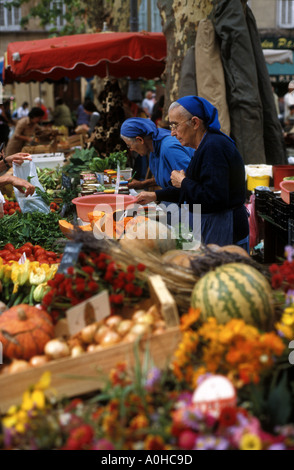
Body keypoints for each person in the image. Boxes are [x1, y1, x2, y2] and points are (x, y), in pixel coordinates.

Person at [135, 96, 249, 251]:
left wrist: (183, 181)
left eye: (175, 125)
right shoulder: (205, 145)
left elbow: (213, 197)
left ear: (195, 123)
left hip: (226, 228)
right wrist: (155, 196)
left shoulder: (213, 147)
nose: (172, 133)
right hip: (213, 224)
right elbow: (196, 188)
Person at [120, 117, 194, 192]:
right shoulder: (153, 147)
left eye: (129, 145)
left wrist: (155, 196)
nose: (131, 149)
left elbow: (189, 182)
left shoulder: (169, 148)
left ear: (140, 140)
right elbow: (167, 178)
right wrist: (142, 184)